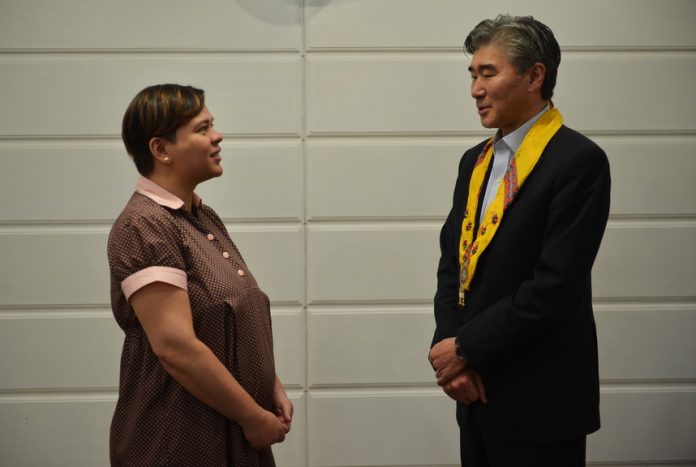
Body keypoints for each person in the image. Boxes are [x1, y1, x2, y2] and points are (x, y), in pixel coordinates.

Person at [428, 15, 610, 466]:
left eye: (488, 73)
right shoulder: (476, 161)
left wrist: (467, 349)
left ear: (535, 75)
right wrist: (451, 351)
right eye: (472, 74)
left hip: (541, 401)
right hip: (473, 392)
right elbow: (454, 263)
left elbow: (555, 285)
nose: (475, 89)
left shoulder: (577, 161)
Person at [108, 84, 292, 466]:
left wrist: (269, 385)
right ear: (161, 149)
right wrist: (253, 417)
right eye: (202, 128)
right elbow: (175, 346)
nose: (217, 136)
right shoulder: (145, 226)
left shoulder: (200, 217)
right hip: (178, 441)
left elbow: (232, 319)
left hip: (234, 435)